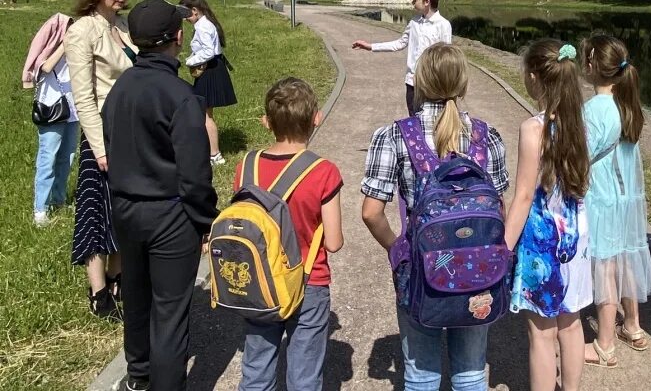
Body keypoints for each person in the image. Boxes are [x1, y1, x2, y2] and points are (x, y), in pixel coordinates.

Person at [361, 43, 509, 390]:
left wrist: (398, 249)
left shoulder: (395, 135)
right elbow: (498, 208)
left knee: (421, 372)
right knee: (471, 372)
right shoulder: (487, 137)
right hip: (479, 268)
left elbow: (371, 213)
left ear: (422, 83)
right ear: (463, 82)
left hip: (421, 269)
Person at [103, 0, 219, 391]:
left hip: (125, 207)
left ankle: (137, 376)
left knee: (137, 296)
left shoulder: (120, 87)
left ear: (136, 41)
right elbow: (194, 175)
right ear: (177, 37)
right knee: (170, 312)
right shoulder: (181, 95)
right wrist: (206, 220)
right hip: (170, 213)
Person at [234, 77, 344, 391]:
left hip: (259, 281)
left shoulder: (247, 166)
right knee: (304, 375)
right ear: (316, 118)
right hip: (308, 281)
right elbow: (334, 242)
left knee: (256, 367)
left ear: (266, 122)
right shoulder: (323, 171)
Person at [504, 39, 591, 390]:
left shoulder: (533, 128)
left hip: (543, 237)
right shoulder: (578, 123)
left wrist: (504, 246)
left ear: (534, 77)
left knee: (541, 332)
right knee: (571, 323)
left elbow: (524, 195)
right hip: (575, 233)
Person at [64, 0, 137, 318]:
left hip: (131, 132)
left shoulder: (124, 26)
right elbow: (84, 97)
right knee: (96, 212)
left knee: (125, 208)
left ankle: (118, 272)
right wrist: (99, 147)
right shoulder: (81, 31)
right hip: (102, 134)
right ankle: (98, 291)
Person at [579, 35, 651, 369]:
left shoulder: (595, 109)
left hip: (603, 197)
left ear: (591, 65)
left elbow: (582, 155)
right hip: (625, 197)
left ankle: (605, 343)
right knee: (624, 258)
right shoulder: (627, 102)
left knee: (605, 267)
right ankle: (633, 325)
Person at [351, 0, 452, 117]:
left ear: (426, 1)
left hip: (431, 85)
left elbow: (446, 59)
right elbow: (399, 43)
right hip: (412, 83)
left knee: (434, 121)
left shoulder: (443, 25)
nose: (412, 2)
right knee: (413, 121)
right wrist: (370, 46)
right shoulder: (414, 22)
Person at [23, 14, 79, 226]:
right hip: (51, 108)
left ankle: (59, 199)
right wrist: (64, 45)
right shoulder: (49, 52)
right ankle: (40, 210)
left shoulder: (75, 52)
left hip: (73, 110)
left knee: (68, 158)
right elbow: (45, 68)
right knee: (48, 159)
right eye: (70, 30)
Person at [178, 0, 237, 166]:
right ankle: (210, 151)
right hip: (213, 67)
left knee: (205, 114)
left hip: (210, 69)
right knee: (205, 112)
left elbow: (208, 52)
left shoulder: (203, 27)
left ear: (195, 11)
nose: (186, 19)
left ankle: (215, 154)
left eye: (186, 14)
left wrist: (190, 61)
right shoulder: (206, 23)